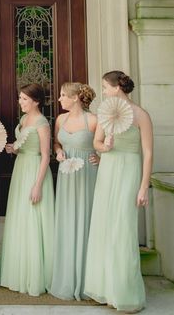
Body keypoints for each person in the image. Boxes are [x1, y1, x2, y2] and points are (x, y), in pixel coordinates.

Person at [84, 70, 153, 313]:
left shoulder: (141, 115)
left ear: (117, 88)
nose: (103, 92)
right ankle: (103, 288)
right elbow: (96, 143)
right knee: (104, 225)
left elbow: (148, 153)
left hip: (129, 170)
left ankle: (124, 292)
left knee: (122, 227)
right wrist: (106, 145)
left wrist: (144, 185)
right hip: (108, 170)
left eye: (105, 87)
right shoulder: (105, 113)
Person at [0, 83, 54, 296]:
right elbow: (22, 144)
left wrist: (38, 185)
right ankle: (18, 270)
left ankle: (35, 275)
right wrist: (13, 148)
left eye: (24, 99)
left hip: (35, 171)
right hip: (21, 169)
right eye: (20, 98)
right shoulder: (23, 120)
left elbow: (46, 156)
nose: (20, 102)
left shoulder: (42, 123)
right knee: (21, 218)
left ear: (36, 101)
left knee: (33, 219)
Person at [49, 82, 99, 301]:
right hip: (66, 177)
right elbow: (56, 144)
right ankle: (67, 276)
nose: (59, 99)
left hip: (87, 175)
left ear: (75, 97)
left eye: (62, 95)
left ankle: (89, 280)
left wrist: (101, 157)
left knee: (86, 220)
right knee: (67, 220)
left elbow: (109, 146)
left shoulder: (94, 120)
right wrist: (58, 152)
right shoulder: (61, 119)